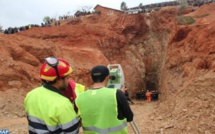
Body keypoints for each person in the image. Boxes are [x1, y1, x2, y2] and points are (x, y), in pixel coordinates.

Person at [24, 57, 79, 134]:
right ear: (59, 80)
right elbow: (73, 131)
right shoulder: (63, 104)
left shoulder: (30, 95)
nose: (68, 81)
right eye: (67, 77)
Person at [75, 65, 133, 134]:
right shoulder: (116, 94)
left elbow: (78, 122)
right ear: (108, 77)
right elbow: (129, 117)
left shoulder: (80, 98)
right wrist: (121, 96)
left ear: (91, 78)